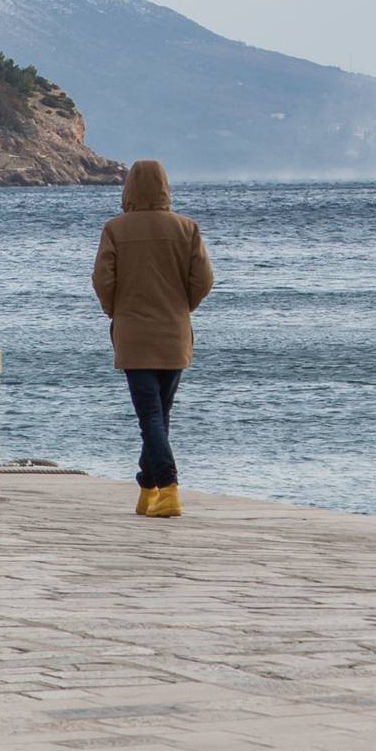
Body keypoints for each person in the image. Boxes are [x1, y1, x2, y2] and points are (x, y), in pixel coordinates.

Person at [91, 158, 213, 518]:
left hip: (133, 337)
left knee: (150, 417)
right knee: (160, 415)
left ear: (128, 189)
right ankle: (148, 491)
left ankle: (169, 486)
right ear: (165, 188)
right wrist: (182, 306)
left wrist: (116, 310)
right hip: (174, 335)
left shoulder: (115, 229)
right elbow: (203, 279)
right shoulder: (187, 229)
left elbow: (102, 280)